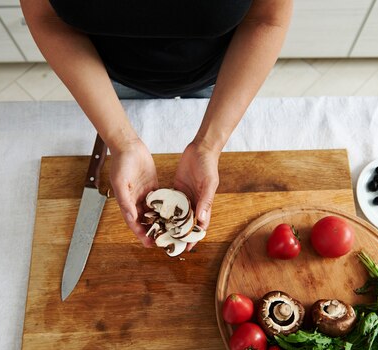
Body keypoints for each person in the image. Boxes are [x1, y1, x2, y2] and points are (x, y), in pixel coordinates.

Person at [21, 0, 293, 248]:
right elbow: (47, 17)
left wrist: (208, 146)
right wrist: (122, 142)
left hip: (224, 74)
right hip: (101, 73)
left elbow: (266, 19)